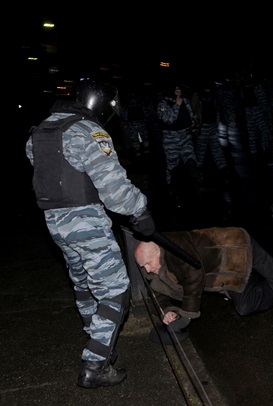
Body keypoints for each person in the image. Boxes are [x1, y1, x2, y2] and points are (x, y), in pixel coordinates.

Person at [25, 80, 157, 389]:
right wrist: (141, 211)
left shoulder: (42, 130)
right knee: (115, 289)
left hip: (54, 222)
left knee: (82, 280)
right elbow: (114, 190)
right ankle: (95, 364)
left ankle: (94, 330)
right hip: (85, 222)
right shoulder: (88, 131)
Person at [134, 227, 273, 343]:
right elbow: (158, 292)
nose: (148, 269)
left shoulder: (176, 247)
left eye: (148, 264)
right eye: (143, 267)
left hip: (238, 249)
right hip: (225, 275)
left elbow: (193, 275)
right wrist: (168, 311)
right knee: (246, 307)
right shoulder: (154, 265)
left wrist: (186, 316)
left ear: (158, 251)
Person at [156, 82, 199, 201]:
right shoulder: (163, 103)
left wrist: (193, 123)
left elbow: (190, 116)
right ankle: (171, 187)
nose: (178, 91)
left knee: (191, 162)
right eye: (176, 89)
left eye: (180, 89)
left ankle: (195, 188)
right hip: (171, 139)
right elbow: (168, 120)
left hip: (185, 137)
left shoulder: (185, 100)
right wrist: (176, 105)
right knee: (172, 166)